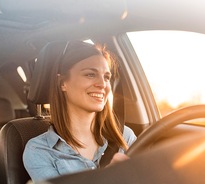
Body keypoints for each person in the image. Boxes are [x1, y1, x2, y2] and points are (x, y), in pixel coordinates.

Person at [23, 40, 137, 182]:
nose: (102, 84)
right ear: (62, 83)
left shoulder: (125, 137)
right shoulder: (39, 150)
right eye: (90, 74)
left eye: (107, 77)